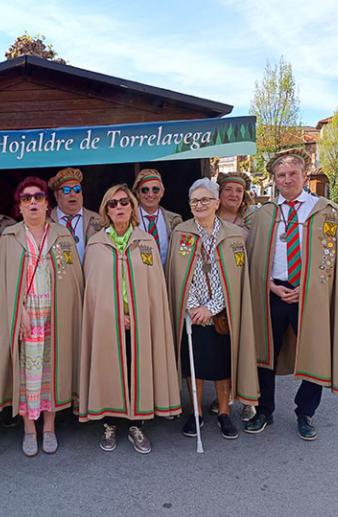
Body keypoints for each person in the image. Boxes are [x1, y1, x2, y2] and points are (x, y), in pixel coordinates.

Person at [244, 149, 338, 441]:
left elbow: (332, 262)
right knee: (264, 354)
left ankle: (305, 412)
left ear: (304, 176)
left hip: (310, 295)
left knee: (315, 351)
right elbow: (256, 258)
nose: (286, 180)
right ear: (274, 180)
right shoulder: (265, 214)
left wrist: (308, 288)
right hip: (272, 291)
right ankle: (264, 410)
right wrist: (269, 283)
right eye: (281, 175)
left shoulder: (325, 212)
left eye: (292, 174)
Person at [79, 184, 181, 454]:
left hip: (141, 321)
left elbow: (154, 287)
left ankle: (137, 423)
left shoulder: (145, 241)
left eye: (124, 202)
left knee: (137, 367)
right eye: (113, 204)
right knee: (109, 368)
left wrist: (137, 314)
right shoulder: (96, 244)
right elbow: (93, 291)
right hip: (106, 322)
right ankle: (110, 423)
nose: (119, 207)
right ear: (106, 211)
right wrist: (115, 316)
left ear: (132, 207)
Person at [0, 177, 83, 457]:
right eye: (26, 198)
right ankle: (29, 429)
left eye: (38, 197)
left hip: (55, 312)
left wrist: (67, 308)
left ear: (47, 203)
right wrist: (16, 311)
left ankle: (49, 426)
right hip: (26, 313)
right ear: (19, 206)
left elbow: (73, 277)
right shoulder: (9, 237)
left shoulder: (62, 235)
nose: (32, 202)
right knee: (27, 373)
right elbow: (1, 282)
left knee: (51, 370)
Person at [166, 178, 259, 440]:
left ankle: (224, 413)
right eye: (195, 200)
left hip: (221, 313)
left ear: (217, 203)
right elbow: (179, 274)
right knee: (193, 363)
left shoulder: (234, 235)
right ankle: (195, 413)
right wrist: (194, 306)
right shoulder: (181, 232)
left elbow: (234, 277)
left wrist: (212, 307)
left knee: (221, 366)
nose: (200, 204)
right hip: (192, 314)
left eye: (206, 199)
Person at [209, 172, 257, 422]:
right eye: (228, 189)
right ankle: (224, 397)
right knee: (223, 348)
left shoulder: (253, 220)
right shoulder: (209, 220)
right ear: (219, 193)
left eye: (238, 190)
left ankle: (249, 398)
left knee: (246, 345)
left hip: (245, 291)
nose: (233, 195)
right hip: (218, 293)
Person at [48, 167, 101, 263]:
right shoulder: (46, 223)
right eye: (66, 190)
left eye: (77, 189)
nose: (73, 194)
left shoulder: (98, 220)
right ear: (56, 195)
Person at [133, 168, 182, 269]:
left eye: (155, 190)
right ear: (137, 193)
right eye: (144, 190)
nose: (150, 194)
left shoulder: (174, 220)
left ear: (162, 192)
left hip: (166, 277)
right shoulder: (129, 220)